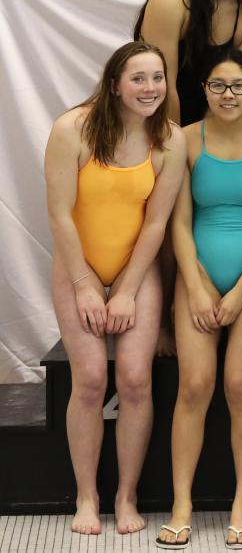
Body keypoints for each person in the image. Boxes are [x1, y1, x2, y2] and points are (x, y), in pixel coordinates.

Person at [44, 42, 185, 537]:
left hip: (136, 269)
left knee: (134, 379)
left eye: (157, 78)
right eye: (138, 79)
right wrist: (85, 285)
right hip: (77, 264)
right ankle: (87, 495)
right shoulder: (73, 129)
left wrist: (125, 291)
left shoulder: (169, 138)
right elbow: (60, 214)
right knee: (88, 380)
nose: (150, 89)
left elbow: (156, 224)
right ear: (114, 85)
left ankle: (126, 495)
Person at [156, 50, 242, 550]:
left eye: (238, 86)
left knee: (239, 383)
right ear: (204, 90)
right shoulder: (183, 140)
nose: (228, 95)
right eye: (218, 86)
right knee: (194, 385)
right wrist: (194, 284)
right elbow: (179, 223)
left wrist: (238, 292)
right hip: (198, 269)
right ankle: (181, 503)